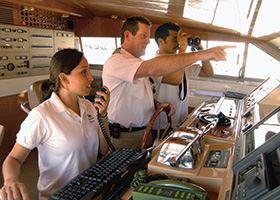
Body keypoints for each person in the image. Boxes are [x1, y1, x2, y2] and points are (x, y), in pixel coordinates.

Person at [102, 16, 232, 149]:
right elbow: (167, 75)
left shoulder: (137, 63)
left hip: (144, 132)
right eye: (144, 36)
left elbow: (138, 95)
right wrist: (199, 54)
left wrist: (157, 104)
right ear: (128, 35)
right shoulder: (117, 61)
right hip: (127, 136)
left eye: (148, 36)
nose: (148, 41)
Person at [1, 49, 110, 200]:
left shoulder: (88, 106)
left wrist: (103, 116)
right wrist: (10, 180)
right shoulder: (41, 116)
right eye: (84, 72)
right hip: (59, 196)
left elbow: (103, 150)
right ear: (64, 79)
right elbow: (14, 158)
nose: (91, 78)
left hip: (90, 191)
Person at [151, 22, 214, 130]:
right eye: (175, 39)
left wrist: (201, 50)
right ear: (161, 41)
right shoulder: (154, 64)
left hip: (181, 121)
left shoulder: (182, 62)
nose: (179, 42)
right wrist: (183, 48)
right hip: (161, 126)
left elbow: (208, 72)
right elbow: (176, 79)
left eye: (179, 39)